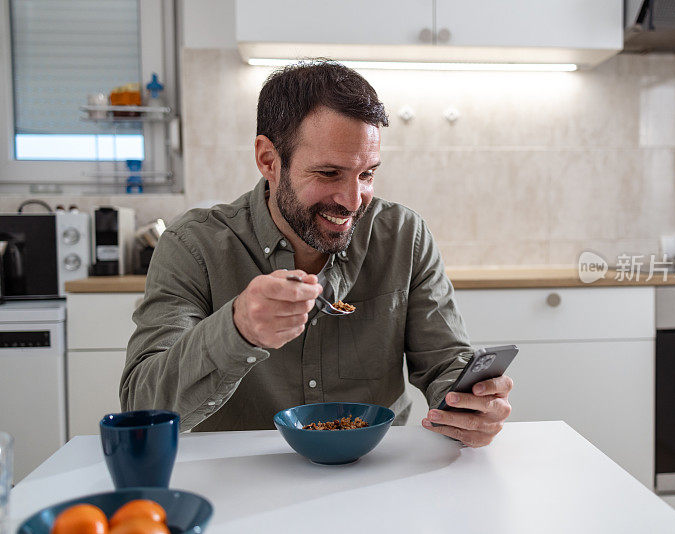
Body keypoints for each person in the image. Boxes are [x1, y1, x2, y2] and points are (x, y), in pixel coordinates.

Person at [121, 60, 512, 447]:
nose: (352, 200)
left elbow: (446, 363)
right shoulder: (194, 245)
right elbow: (142, 408)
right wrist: (237, 329)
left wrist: (470, 407)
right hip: (242, 480)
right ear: (268, 160)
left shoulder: (403, 236)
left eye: (367, 174)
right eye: (328, 174)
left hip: (377, 474)